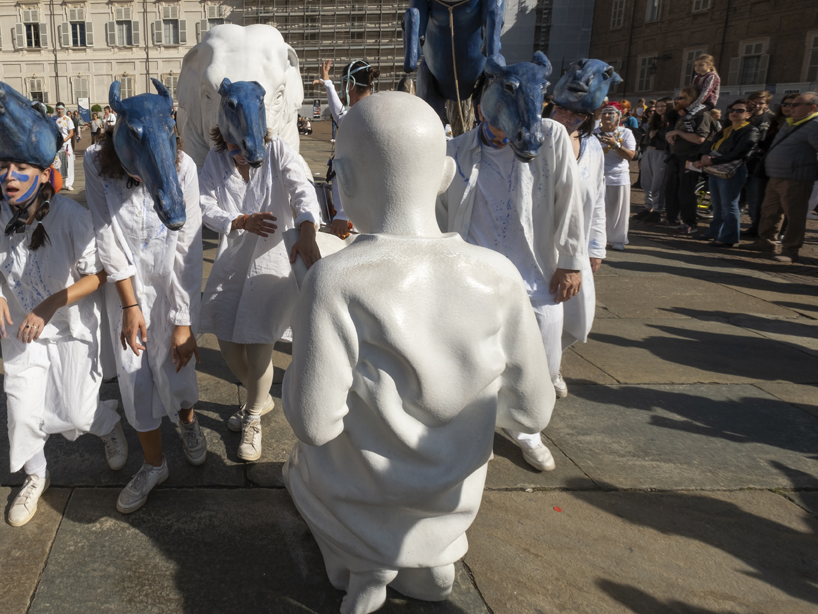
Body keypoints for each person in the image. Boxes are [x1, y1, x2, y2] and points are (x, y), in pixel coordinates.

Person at [283, 93, 555, 611]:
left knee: (297, 467)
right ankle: (428, 559)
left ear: (342, 179)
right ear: (447, 173)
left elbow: (314, 424)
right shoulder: (497, 275)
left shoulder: (336, 281)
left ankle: (366, 561)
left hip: (358, 500)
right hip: (449, 505)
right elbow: (532, 411)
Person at [0, 155, 128, 527]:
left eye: (20, 168)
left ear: (42, 172)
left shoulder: (70, 216)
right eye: (4, 167)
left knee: (77, 413)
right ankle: (36, 474)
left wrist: (51, 304)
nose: (9, 177)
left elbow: (98, 274)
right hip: (22, 332)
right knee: (21, 414)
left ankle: (107, 423)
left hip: (71, 328)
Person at [437, 75, 586, 472]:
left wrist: (572, 260)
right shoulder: (456, 150)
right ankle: (477, 424)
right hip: (474, 274)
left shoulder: (550, 136)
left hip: (536, 272)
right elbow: (439, 212)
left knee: (544, 356)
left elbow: (570, 198)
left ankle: (527, 428)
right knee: (473, 356)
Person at [84, 84, 204, 514]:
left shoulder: (184, 166)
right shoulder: (97, 164)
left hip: (172, 287)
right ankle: (154, 463)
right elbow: (106, 235)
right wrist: (130, 305)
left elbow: (188, 246)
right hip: (126, 292)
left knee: (178, 372)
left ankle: (188, 424)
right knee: (135, 378)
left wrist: (184, 319)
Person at [197, 81, 322, 462]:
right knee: (228, 342)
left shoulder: (278, 152)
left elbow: (303, 190)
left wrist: (307, 230)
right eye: (233, 147)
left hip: (271, 266)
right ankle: (260, 397)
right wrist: (237, 220)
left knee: (260, 346)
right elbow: (202, 202)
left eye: (244, 148)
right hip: (232, 264)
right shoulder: (215, 161)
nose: (239, 155)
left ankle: (252, 417)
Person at [548, 100, 605, 393]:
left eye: (577, 114)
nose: (567, 118)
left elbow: (598, 196)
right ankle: (543, 369)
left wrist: (596, 245)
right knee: (542, 313)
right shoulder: (536, 140)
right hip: (540, 244)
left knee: (577, 314)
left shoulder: (593, 146)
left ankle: (553, 362)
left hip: (578, 244)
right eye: (561, 110)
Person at [751, 92, 818, 263]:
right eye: (789, 105)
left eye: (796, 105)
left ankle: (790, 250)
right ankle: (766, 243)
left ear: (813, 108)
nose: (790, 108)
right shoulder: (790, 123)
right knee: (769, 211)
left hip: (796, 178)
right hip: (776, 175)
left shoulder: (814, 125)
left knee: (794, 215)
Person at [315, 59, 377, 238]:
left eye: (343, 85)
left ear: (350, 85)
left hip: (354, 218)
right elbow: (340, 114)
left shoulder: (356, 119)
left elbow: (346, 170)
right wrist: (327, 83)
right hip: (373, 213)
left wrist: (342, 214)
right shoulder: (372, 111)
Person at [695, 99, 759, 248]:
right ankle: (715, 232)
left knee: (729, 205)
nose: (734, 113)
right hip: (716, 170)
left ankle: (728, 237)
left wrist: (711, 160)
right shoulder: (727, 128)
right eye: (732, 110)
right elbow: (710, 143)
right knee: (717, 205)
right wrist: (704, 155)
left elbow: (739, 153)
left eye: (740, 110)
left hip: (732, 171)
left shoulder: (750, 130)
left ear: (749, 114)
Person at [663, 87, 717, 236]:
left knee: (686, 191)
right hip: (676, 158)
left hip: (691, 159)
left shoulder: (703, 116)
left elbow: (700, 139)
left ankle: (690, 223)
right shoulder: (682, 115)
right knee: (671, 190)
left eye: (681, 98)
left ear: (692, 101)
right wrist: (671, 134)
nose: (676, 100)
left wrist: (678, 132)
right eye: (677, 97)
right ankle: (672, 219)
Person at [596, 105, 637, 251]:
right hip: (596, 177)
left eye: (610, 113)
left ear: (618, 116)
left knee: (618, 210)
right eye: (604, 113)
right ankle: (597, 238)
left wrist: (616, 145)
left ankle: (618, 239)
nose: (607, 116)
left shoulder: (625, 133)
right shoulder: (593, 133)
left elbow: (630, 156)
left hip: (618, 176)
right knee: (597, 210)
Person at [742, 90, 775, 237]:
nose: (757, 105)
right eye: (754, 102)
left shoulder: (772, 119)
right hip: (739, 162)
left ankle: (756, 228)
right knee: (739, 198)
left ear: (766, 104)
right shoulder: (744, 116)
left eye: (761, 102)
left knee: (755, 198)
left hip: (758, 164)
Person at [634, 98, 672, 224]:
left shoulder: (672, 123)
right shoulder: (654, 121)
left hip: (662, 154)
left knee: (658, 183)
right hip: (649, 152)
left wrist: (656, 137)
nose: (660, 108)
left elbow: (671, 142)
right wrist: (650, 137)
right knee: (646, 182)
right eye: (658, 106)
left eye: (663, 106)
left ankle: (657, 210)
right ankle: (648, 207)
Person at [682, 55, 720, 132]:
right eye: (695, 65)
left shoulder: (712, 76)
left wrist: (688, 108)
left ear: (710, 65)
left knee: (688, 118)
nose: (697, 67)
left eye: (701, 65)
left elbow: (705, 94)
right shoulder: (696, 77)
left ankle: (692, 135)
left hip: (707, 103)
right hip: (696, 102)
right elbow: (692, 92)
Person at [53, 103, 76, 191]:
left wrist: (64, 140)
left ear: (63, 109)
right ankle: (57, 183)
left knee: (68, 164)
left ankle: (69, 183)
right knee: (56, 164)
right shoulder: (54, 119)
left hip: (66, 144)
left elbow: (71, 132)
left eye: (61, 109)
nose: (59, 111)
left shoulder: (67, 119)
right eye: (58, 109)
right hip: (56, 145)